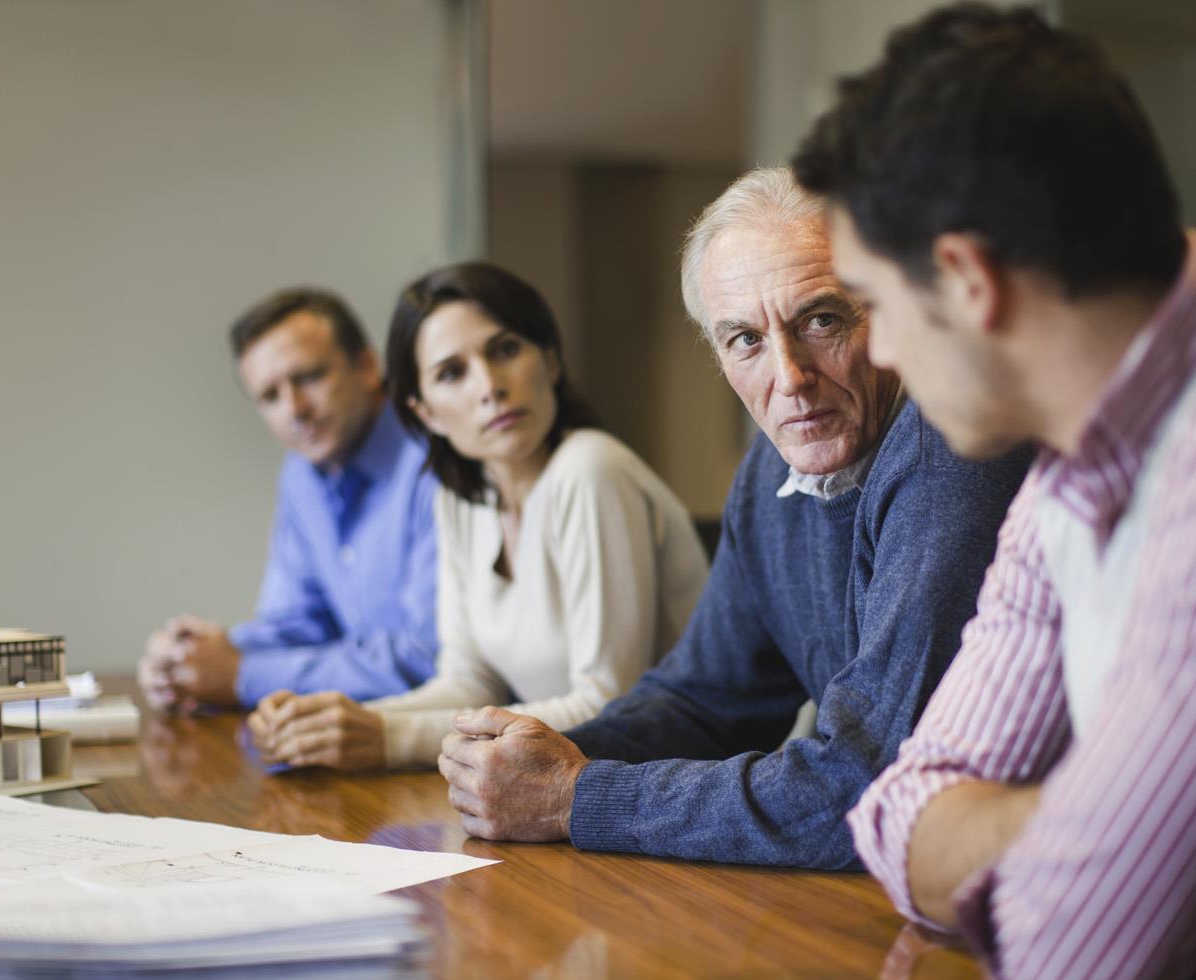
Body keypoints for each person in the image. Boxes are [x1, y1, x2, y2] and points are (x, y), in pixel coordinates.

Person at [792, 4, 1196, 980]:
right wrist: (1116, 833)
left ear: (966, 279)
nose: (879, 352)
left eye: (871, 306)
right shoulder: (1075, 464)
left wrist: (1122, 858)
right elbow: (896, 815)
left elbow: (1071, 954)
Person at [435, 167, 1030, 869]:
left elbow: (863, 786)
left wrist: (575, 796)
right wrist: (538, 759)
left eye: (821, 320)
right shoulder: (775, 465)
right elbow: (704, 701)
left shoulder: (948, 452)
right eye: (745, 339)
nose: (790, 377)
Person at [246, 263, 709, 771]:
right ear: (425, 413)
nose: (489, 386)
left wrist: (385, 736)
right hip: (565, 785)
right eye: (452, 373)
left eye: (505, 350)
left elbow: (608, 705)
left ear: (550, 361)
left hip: (668, 786)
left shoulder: (590, 468)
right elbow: (468, 681)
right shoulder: (462, 497)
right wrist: (336, 721)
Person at [137, 289, 439, 713]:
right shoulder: (301, 473)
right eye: (270, 397)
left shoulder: (435, 460)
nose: (294, 410)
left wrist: (241, 674)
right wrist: (191, 658)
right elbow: (298, 625)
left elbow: (428, 659)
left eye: (309, 378)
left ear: (369, 367)